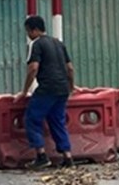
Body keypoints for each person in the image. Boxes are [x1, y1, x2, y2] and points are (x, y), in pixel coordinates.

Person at [18, 15, 76, 170]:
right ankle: (67, 157)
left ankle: (41, 156)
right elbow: (70, 68)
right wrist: (71, 86)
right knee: (57, 121)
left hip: (47, 89)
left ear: (34, 30)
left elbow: (33, 68)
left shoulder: (36, 44)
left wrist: (24, 91)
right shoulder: (58, 43)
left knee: (32, 119)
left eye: (28, 31)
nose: (28, 35)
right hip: (62, 89)